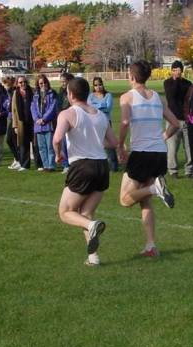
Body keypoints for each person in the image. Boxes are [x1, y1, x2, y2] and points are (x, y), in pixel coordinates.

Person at [53, 77, 118, 267]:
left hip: (82, 167)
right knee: (86, 213)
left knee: (65, 212)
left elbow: (57, 139)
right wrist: (96, 142)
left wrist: (57, 155)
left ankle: (92, 226)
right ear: (87, 93)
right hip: (102, 167)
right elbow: (113, 143)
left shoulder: (67, 113)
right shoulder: (100, 114)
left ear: (71, 94)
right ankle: (93, 257)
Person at [117, 60, 178, 258]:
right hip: (159, 154)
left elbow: (125, 122)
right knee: (145, 201)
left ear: (132, 77)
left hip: (141, 153)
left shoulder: (127, 97)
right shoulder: (157, 98)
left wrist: (119, 145)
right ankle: (151, 245)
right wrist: (162, 137)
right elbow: (175, 123)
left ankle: (155, 188)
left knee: (125, 200)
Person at [164, 60, 193, 178]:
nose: (177, 72)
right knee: (172, 148)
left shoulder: (188, 84)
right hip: (173, 120)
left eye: (179, 70)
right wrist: (176, 81)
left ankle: (189, 170)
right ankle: (173, 170)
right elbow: (172, 96)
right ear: (171, 71)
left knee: (189, 148)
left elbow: (189, 99)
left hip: (187, 120)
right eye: (175, 70)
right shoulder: (168, 83)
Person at [88, 77, 118, 172]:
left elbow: (108, 108)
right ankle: (99, 165)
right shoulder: (91, 96)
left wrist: (95, 106)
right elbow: (89, 107)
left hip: (106, 122)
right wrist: (101, 105)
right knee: (96, 144)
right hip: (94, 123)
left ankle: (113, 165)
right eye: (96, 85)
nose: (98, 87)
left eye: (100, 84)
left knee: (109, 144)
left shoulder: (108, 95)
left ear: (103, 84)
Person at [31, 74, 58, 172]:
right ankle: (45, 165)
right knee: (41, 147)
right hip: (38, 125)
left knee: (50, 146)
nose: (43, 85)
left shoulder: (52, 93)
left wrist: (44, 119)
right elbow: (33, 108)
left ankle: (51, 166)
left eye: (44, 82)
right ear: (38, 84)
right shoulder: (35, 95)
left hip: (48, 124)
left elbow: (52, 108)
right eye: (41, 83)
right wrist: (36, 119)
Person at [10, 75, 34, 171]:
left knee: (35, 144)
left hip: (32, 121)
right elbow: (14, 110)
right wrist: (15, 125)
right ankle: (24, 165)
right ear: (17, 84)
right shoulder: (16, 93)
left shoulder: (32, 91)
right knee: (23, 144)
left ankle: (40, 164)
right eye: (20, 82)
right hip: (21, 122)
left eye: (24, 82)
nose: (22, 84)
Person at [57, 72, 74, 173]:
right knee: (63, 142)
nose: (62, 83)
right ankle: (66, 164)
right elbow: (59, 104)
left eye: (64, 81)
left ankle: (73, 163)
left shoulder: (73, 92)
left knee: (71, 142)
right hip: (63, 119)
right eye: (61, 82)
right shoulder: (61, 91)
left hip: (71, 119)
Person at [2, 76, 21, 170]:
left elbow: (11, 107)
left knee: (12, 140)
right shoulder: (7, 92)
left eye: (5, 84)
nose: (4, 86)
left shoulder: (13, 92)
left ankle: (19, 160)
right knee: (11, 140)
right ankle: (17, 159)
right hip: (10, 117)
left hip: (15, 118)